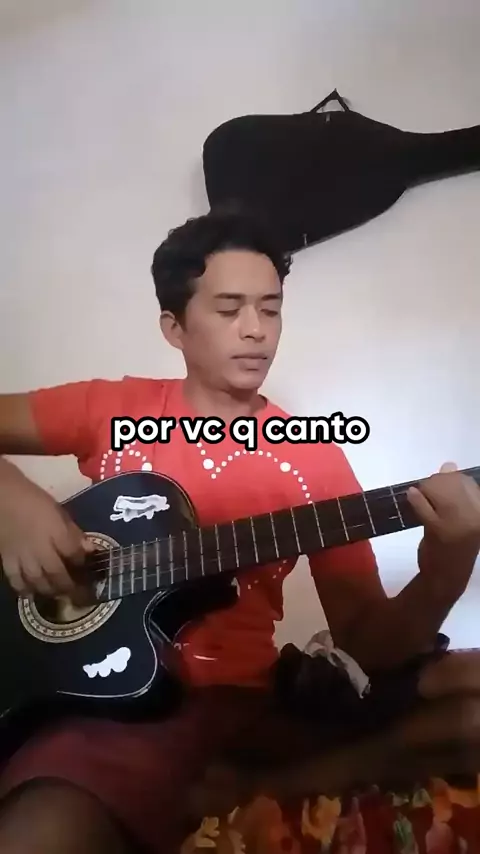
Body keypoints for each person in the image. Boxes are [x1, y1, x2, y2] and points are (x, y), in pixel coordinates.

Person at [0, 208, 479, 854]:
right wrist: (14, 502)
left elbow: (369, 645)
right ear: (174, 327)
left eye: (271, 309)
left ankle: (275, 782)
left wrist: (446, 570)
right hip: (101, 706)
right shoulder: (111, 408)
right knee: (42, 832)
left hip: (245, 703)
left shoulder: (314, 458)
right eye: (229, 309)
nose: (256, 330)